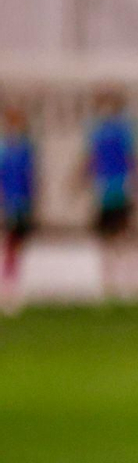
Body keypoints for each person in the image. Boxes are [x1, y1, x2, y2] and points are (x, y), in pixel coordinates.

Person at [81, 87, 138, 300]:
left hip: (121, 186)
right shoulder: (95, 130)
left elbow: (132, 158)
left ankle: (131, 281)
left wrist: (136, 187)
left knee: (126, 235)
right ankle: (110, 284)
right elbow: (91, 159)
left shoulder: (125, 129)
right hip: (104, 188)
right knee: (106, 237)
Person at [0, 104, 36, 313]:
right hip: (9, 202)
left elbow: (30, 178)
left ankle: (12, 285)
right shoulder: (4, 149)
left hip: (22, 202)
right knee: (11, 244)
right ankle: (7, 287)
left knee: (17, 245)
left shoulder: (25, 148)